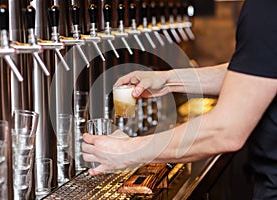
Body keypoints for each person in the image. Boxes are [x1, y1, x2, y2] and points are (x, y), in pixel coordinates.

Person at [82, 0, 277, 198]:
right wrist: (167, 80)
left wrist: (128, 150)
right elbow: (254, 74)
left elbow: (225, 130)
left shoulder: (265, 8)